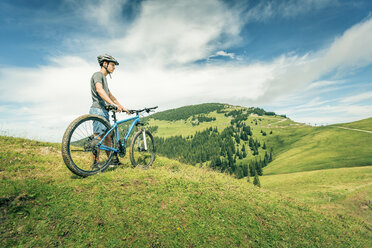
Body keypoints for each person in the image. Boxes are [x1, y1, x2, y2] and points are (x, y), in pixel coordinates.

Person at [90, 54, 129, 169]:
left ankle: (112, 160)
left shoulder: (104, 79)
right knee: (98, 136)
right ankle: (95, 164)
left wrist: (122, 107)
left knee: (108, 136)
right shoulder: (98, 75)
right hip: (98, 109)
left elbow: (111, 96)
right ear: (105, 64)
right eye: (112, 65)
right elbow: (99, 90)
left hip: (104, 111)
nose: (114, 67)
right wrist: (112, 105)